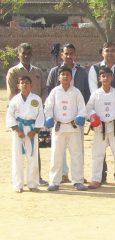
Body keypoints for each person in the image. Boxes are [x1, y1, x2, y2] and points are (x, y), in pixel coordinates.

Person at [46, 43, 90, 184]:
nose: (69, 56)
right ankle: (59, 177)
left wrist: (83, 115)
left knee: (77, 151)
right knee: (57, 152)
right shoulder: (54, 74)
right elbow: (49, 99)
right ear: (62, 55)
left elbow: (86, 96)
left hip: (75, 122)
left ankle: (78, 178)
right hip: (58, 121)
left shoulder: (81, 75)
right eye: (66, 53)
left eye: (72, 53)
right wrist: (49, 116)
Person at [88, 42, 115, 183]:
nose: (110, 53)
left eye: (113, 50)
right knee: (98, 154)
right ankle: (97, 178)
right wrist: (92, 115)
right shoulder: (95, 71)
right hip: (100, 124)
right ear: (102, 52)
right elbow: (90, 105)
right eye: (107, 50)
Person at [6, 43, 48, 186]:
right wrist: (17, 122)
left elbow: (44, 90)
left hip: (34, 117)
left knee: (34, 151)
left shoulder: (37, 71)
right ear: (18, 54)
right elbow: (12, 94)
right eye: (23, 53)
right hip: (20, 120)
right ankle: (18, 181)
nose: (26, 56)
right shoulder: (13, 72)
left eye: (29, 53)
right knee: (18, 154)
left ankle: (36, 178)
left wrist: (38, 109)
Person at [6, 76, 44, 193]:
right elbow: (10, 116)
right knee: (17, 157)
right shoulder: (14, 100)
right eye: (22, 83)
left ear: (31, 85)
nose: (24, 85)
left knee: (32, 157)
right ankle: (18, 184)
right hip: (19, 129)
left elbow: (40, 115)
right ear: (18, 86)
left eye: (27, 83)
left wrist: (35, 130)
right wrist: (17, 130)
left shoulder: (36, 99)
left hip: (32, 129)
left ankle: (33, 184)